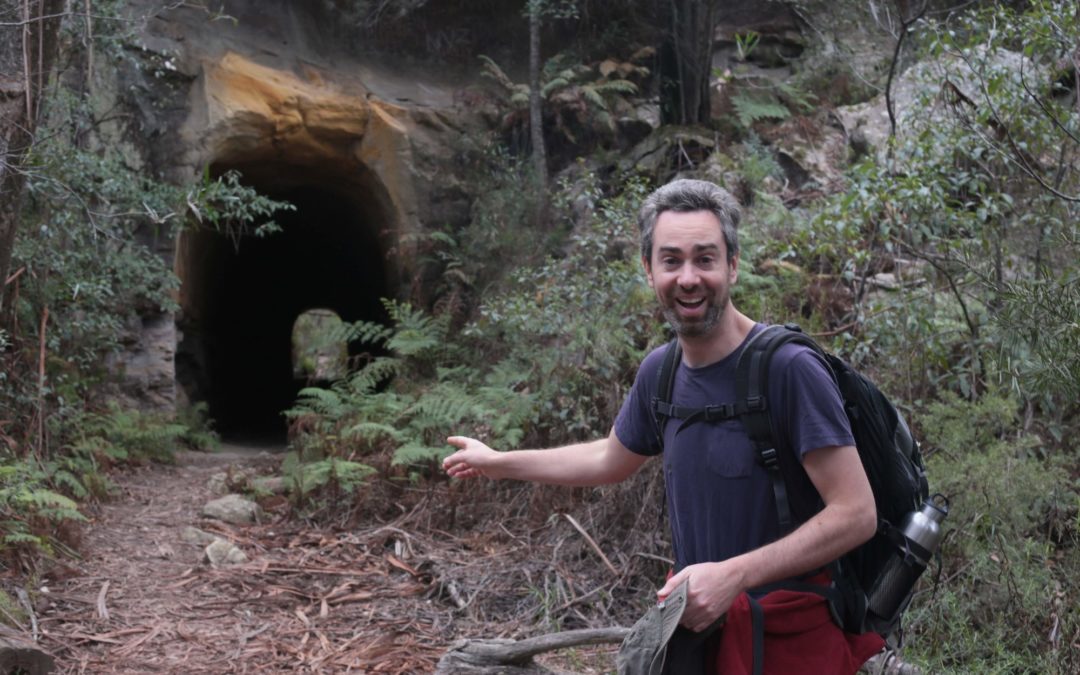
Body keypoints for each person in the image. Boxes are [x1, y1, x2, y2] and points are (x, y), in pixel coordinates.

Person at [443, 179, 883, 673]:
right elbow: (608, 458)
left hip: (793, 643)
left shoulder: (787, 370)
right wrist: (498, 462)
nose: (689, 278)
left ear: (732, 266)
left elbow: (856, 513)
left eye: (706, 259)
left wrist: (733, 576)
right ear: (649, 270)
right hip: (699, 636)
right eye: (671, 260)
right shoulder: (662, 373)